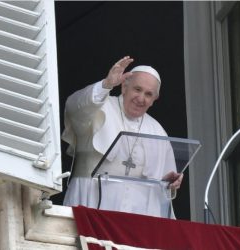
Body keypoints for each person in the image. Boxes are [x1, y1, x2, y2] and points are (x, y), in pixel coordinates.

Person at [61, 56, 183, 218]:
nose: (141, 98)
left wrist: (169, 183)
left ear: (154, 100)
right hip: (92, 200)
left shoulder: (158, 131)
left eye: (148, 94)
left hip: (138, 212)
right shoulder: (100, 106)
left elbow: (164, 186)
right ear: (124, 87)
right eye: (137, 89)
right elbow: (73, 107)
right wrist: (106, 85)